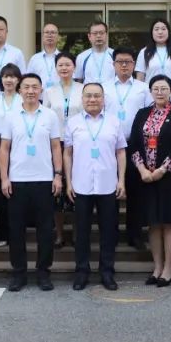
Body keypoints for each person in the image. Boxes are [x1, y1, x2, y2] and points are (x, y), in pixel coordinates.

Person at [0, 73, 63, 292]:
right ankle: (19, 273)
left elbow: (56, 147)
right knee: (16, 230)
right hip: (17, 180)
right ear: (19, 90)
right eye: (26, 87)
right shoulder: (10, 116)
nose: (30, 91)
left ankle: (43, 272)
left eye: (35, 87)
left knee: (45, 230)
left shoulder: (50, 116)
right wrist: (4, 177)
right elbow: (4, 149)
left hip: (44, 180)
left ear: (41, 90)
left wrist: (58, 174)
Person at [127, 75, 171, 287]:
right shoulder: (142, 114)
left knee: (170, 221)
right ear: (150, 91)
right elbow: (133, 144)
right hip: (146, 178)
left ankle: (168, 269)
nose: (160, 92)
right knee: (153, 223)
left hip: (170, 177)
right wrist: (141, 169)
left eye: (164, 88)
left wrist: (162, 170)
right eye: (156, 88)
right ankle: (157, 267)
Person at [63, 83, 126, 291]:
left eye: (97, 96)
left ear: (103, 99)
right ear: (82, 99)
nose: (92, 99)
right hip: (81, 185)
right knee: (82, 232)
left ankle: (107, 271)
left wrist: (121, 180)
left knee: (108, 232)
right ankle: (82, 271)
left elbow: (121, 152)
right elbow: (67, 153)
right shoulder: (73, 122)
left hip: (108, 185)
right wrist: (68, 182)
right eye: (88, 96)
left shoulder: (114, 122)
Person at [103, 48, 151, 250]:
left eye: (128, 62)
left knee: (136, 191)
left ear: (134, 65)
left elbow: (149, 114)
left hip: (135, 144)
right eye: (120, 61)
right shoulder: (104, 88)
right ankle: (111, 234)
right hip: (109, 145)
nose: (124, 65)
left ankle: (135, 234)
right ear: (113, 64)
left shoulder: (143, 88)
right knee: (109, 190)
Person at [44, 52, 82, 247]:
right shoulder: (49, 91)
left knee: (77, 189)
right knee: (57, 193)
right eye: (61, 65)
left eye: (68, 64)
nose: (64, 68)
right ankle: (59, 234)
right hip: (56, 143)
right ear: (56, 68)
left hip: (79, 142)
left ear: (74, 67)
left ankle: (76, 234)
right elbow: (45, 116)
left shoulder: (83, 89)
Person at [0, 63, 23, 247]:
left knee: (17, 192)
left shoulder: (23, 100)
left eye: (12, 76)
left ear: (18, 80)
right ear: (1, 80)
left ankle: (17, 233)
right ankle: (2, 234)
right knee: (1, 191)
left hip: (19, 146)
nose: (9, 80)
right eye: (5, 76)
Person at [27, 22, 61, 88]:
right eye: (47, 32)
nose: (50, 35)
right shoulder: (34, 59)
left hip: (59, 94)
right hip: (39, 94)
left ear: (58, 37)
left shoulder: (63, 58)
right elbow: (28, 79)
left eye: (53, 32)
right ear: (42, 36)